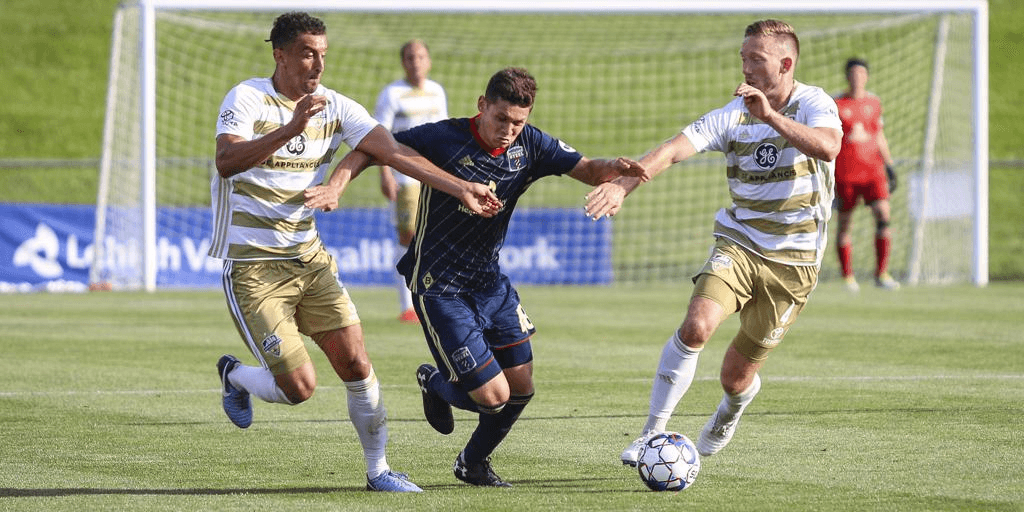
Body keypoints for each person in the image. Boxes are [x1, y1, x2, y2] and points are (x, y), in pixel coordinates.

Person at [306, 67, 645, 487]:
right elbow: (371, 148)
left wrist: (615, 167)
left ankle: (473, 463)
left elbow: (591, 168)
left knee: (521, 387)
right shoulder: (444, 137)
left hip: (490, 283)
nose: (508, 130)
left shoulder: (531, 144)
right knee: (493, 396)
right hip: (440, 286)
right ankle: (435, 380)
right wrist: (337, 183)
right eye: (500, 118)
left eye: (517, 122)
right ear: (482, 106)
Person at [210, 11, 499, 493]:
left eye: (323, 54)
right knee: (299, 389)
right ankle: (235, 376)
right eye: (306, 53)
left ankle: (379, 471)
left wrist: (460, 187)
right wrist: (289, 129)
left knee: (358, 365)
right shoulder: (246, 97)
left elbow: (393, 151)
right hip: (253, 269)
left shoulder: (335, 105)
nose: (317, 65)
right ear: (279, 54)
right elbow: (226, 160)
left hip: (311, 260)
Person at [582, 20, 843, 465]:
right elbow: (671, 150)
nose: (744, 67)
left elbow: (828, 148)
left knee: (735, 378)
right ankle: (650, 435)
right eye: (742, 58)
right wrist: (624, 185)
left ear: (785, 63)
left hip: (795, 263)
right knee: (696, 326)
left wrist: (771, 118)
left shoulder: (813, 103)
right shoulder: (733, 113)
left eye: (755, 59)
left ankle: (730, 411)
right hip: (740, 245)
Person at [373, 40, 449, 323]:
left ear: (428, 60)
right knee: (408, 236)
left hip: (434, 174)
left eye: (420, 56)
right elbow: (379, 135)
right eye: (410, 57)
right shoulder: (392, 94)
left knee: (433, 237)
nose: (416, 62)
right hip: (404, 176)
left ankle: (433, 300)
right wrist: (384, 173)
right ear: (403, 62)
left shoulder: (436, 92)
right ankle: (407, 305)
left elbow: (444, 132)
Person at [833, 57, 900, 292]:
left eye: (861, 74)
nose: (857, 78)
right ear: (847, 77)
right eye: (853, 74)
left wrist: (889, 165)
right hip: (846, 173)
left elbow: (879, 134)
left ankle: (882, 273)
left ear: (867, 76)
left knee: (883, 215)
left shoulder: (874, 102)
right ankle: (848, 276)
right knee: (845, 224)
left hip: (873, 172)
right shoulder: (836, 103)